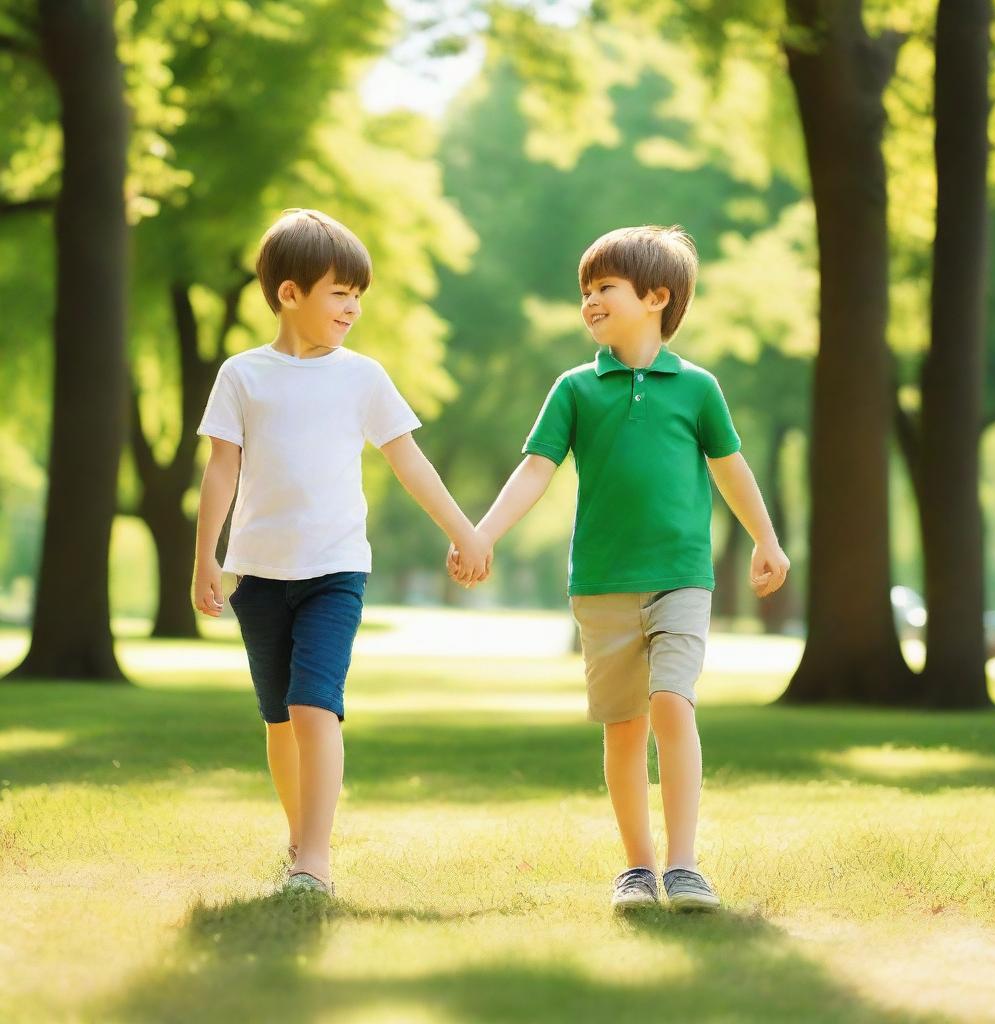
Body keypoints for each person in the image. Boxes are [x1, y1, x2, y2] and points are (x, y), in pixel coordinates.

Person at [449, 225, 789, 911]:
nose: (591, 300)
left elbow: (732, 470)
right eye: (586, 290)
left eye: (606, 287)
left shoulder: (697, 389)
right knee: (624, 726)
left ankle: (685, 864)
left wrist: (768, 540)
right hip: (602, 584)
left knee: (672, 701)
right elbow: (535, 469)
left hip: (681, 578)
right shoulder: (576, 389)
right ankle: (638, 867)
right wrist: (481, 532)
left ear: (657, 296)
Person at [194, 208, 490, 895]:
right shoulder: (243, 375)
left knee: (313, 705)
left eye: (359, 294)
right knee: (277, 717)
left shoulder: (363, 377)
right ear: (289, 293)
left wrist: (464, 529)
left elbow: (409, 460)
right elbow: (221, 470)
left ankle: (315, 860)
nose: (353, 307)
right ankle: (298, 837)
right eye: (339, 292)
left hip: (334, 570)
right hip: (259, 575)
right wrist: (205, 558)